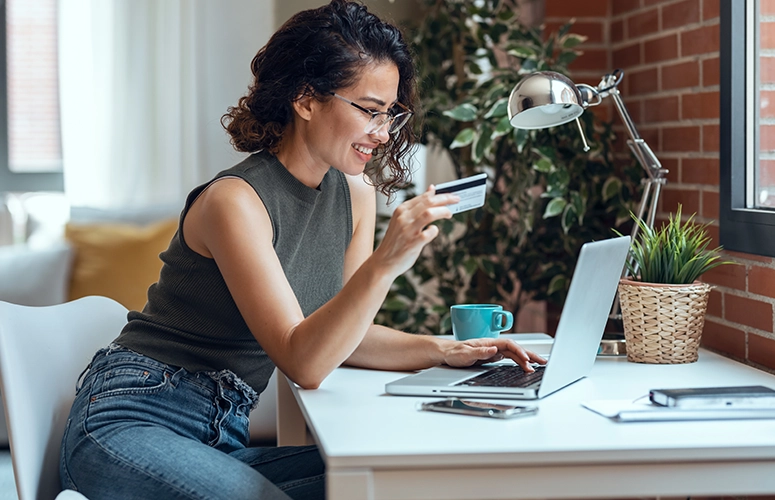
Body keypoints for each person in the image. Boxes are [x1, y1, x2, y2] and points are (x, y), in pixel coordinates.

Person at [59, 1, 546, 499]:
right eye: (370, 111)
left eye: (390, 114)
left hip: (219, 439)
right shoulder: (235, 202)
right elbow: (305, 362)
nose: (382, 133)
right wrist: (385, 265)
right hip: (129, 421)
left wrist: (450, 350)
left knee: (399, 479)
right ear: (306, 99)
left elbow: (344, 336)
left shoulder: (353, 196)